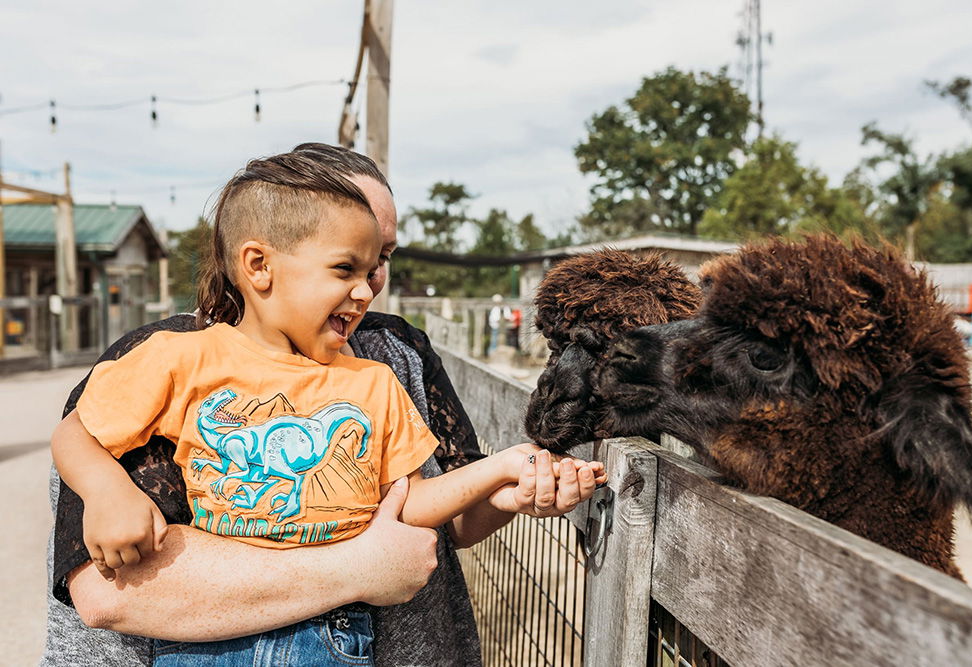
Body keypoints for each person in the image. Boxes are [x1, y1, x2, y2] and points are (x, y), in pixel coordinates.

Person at [43, 145, 599, 667]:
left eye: (380, 259)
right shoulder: (170, 358)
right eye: (346, 265)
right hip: (208, 646)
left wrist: (509, 477)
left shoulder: (384, 370)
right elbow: (98, 555)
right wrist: (106, 488)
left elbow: (421, 503)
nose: (369, 285)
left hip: (339, 639)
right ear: (260, 264)